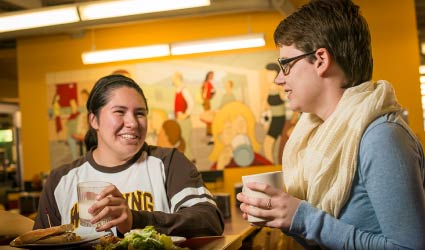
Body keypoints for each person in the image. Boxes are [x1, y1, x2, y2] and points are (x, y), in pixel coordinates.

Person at [237, 1, 425, 249]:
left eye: (285, 65)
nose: (279, 78)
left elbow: (410, 247)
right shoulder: (317, 139)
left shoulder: (380, 137)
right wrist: (284, 216)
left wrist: (302, 218)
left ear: (320, 59)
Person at [34, 74, 224, 238]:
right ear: (94, 120)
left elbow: (209, 221)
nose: (132, 122)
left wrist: (136, 220)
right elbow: (39, 243)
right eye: (120, 112)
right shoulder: (60, 180)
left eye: (140, 113)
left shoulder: (169, 163)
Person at [262, 63, 286, 163]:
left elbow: (286, 99)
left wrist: (279, 90)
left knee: (268, 144)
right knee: (269, 146)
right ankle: (272, 165)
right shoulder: (269, 89)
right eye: (267, 74)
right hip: (273, 118)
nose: (267, 76)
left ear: (275, 74)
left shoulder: (279, 87)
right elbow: (264, 106)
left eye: (270, 74)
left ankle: (273, 166)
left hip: (280, 119)